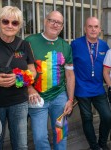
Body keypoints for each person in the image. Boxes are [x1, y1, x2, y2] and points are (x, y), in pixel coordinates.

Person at [25, 11, 75, 150]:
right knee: (40, 138)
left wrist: (70, 100)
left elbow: (70, 75)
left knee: (61, 134)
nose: (55, 24)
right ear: (45, 21)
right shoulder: (30, 42)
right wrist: (29, 88)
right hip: (37, 98)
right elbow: (22, 69)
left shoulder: (66, 46)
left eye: (59, 22)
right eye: (52, 20)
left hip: (60, 97)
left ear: (62, 26)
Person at [71, 17, 111, 150]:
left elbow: (109, 67)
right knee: (87, 118)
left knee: (107, 116)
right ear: (85, 28)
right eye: (90, 26)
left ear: (100, 29)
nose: (93, 29)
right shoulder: (75, 44)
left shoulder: (104, 46)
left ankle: (102, 143)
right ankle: (94, 146)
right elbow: (68, 66)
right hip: (82, 88)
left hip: (98, 88)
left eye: (95, 26)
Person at [0, 6, 36, 149]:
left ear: (19, 26)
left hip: (19, 103)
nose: (9, 25)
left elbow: (33, 73)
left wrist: (18, 78)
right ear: (0, 22)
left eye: (14, 23)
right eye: (5, 21)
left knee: (20, 145)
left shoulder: (24, 45)